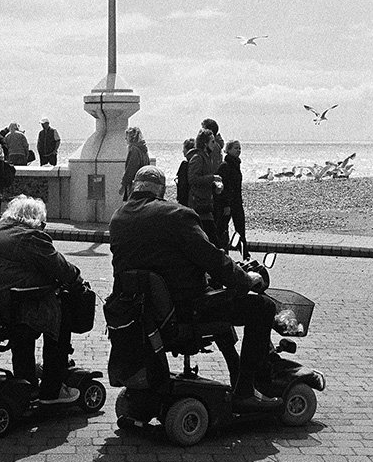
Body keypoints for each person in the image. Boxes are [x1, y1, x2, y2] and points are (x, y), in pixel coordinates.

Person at [109, 166, 281, 411]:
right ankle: (244, 391)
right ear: (161, 190)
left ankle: (237, 376)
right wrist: (245, 279)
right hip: (184, 310)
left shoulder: (119, 218)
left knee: (220, 302)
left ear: (136, 186)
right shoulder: (176, 215)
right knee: (262, 307)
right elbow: (213, 259)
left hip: (143, 312)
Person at [0, 194, 83, 403]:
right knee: (58, 316)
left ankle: (27, 377)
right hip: (12, 308)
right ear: (36, 220)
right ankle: (52, 388)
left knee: (25, 315)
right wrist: (79, 280)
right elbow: (63, 269)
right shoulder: (31, 237)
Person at [187, 128, 223, 246]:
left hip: (205, 203)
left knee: (207, 239)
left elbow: (203, 179)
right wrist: (212, 178)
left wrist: (215, 186)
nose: (215, 144)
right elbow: (193, 179)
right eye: (212, 142)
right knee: (211, 239)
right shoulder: (198, 157)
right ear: (204, 143)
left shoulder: (207, 157)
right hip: (198, 204)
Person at [215, 139, 250, 258]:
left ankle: (245, 255)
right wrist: (226, 205)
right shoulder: (225, 166)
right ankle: (223, 254)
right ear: (228, 150)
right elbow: (223, 188)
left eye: (239, 148)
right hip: (227, 204)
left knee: (241, 230)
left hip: (237, 203)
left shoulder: (237, 164)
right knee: (223, 230)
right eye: (236, 148)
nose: (238, 150)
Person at [119, 126, 150, 199]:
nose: (125, 139)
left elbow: (131, 169)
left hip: (135, 186)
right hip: (144, 185)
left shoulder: (134, 150)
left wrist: (123, 185)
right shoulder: (144, 150)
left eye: (127, 136)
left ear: (131, 138)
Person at [175, 138, 195, 206]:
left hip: (186, 198)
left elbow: (182, 184)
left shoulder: (185, 164)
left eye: (184, 149)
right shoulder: (199, 162)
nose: (182, 151)